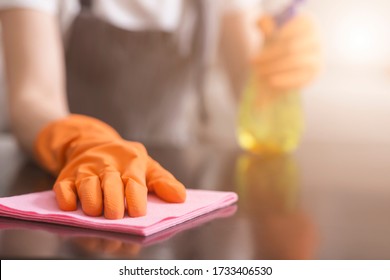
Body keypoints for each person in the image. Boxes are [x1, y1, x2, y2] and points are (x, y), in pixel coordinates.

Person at [0, 0, 320, 219]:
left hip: (170, 185)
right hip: (72, 177)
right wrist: (84, 142)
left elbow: (248, 81)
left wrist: (278, 63)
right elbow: (34, 96)